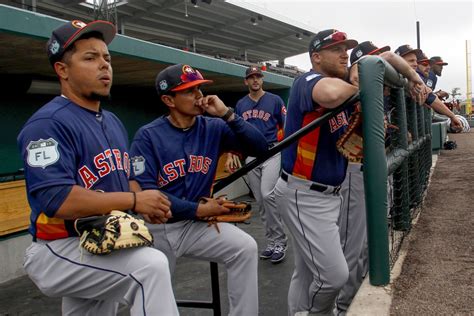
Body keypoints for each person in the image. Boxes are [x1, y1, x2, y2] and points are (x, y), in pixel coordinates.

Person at [16, 20, 179, 315]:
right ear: (62, 70)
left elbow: (125, 177)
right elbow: (56, 199)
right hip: (59, 247)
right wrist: (133, 199)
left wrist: (143, 202)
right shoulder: (47, 124)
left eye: (107, 58)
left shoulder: (112, 121)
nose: (104, 65)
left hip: (103, 238)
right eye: (90, 58)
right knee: (149, 267)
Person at [130, 63, 269, 315]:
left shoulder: (212, 127)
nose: (198, 96)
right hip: (156, 228)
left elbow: (261, 148)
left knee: (245, 248)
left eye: (199, 89)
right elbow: (149, 195)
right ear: (168, 99)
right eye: (188, 91)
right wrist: (198, 210)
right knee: (148, 289)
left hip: (193, 227)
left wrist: (227, 113)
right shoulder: (147, 136)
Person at [335, 41, 426, 315]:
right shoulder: (358, 82)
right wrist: (413, 77)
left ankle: (352, 293)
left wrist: (413, 80)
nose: (384, 68)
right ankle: (343, 305)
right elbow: (386, 58)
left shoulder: (379, 91)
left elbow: (390, 59)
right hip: (353, 170)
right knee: (354, 244)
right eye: (376, 62)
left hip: (369, 167)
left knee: (366, 241)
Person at [273, 29, 358, 315]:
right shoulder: (306, 81)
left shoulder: (343, 90)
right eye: (337, 49)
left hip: (326, 195)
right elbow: (331, 93)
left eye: (346, 48)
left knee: (307, 271)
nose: (344, 53)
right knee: (334, 276)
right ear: (317, 57)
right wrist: (361, 85)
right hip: (303, 193)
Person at [225, 65, 288, 263]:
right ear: (246, 81)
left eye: (258, 77)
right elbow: (236, 132)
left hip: (271, 151)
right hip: (251, 155)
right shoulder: (241, 104)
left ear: (262, 79)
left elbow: (286, 125)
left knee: (268, 194)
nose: (255, 80)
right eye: (251, 77)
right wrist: (231, 153)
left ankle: (280, 241)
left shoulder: (275, 100)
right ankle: (271, 241)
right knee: (260, 200)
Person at [395, 45, 462, 131]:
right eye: (424, 64)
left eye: (416, 61)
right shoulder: (394, 75)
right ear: (399, 61)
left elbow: (430, 97)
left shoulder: (416, 78)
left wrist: (452, 116)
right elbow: (431, 99)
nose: (428, 67)